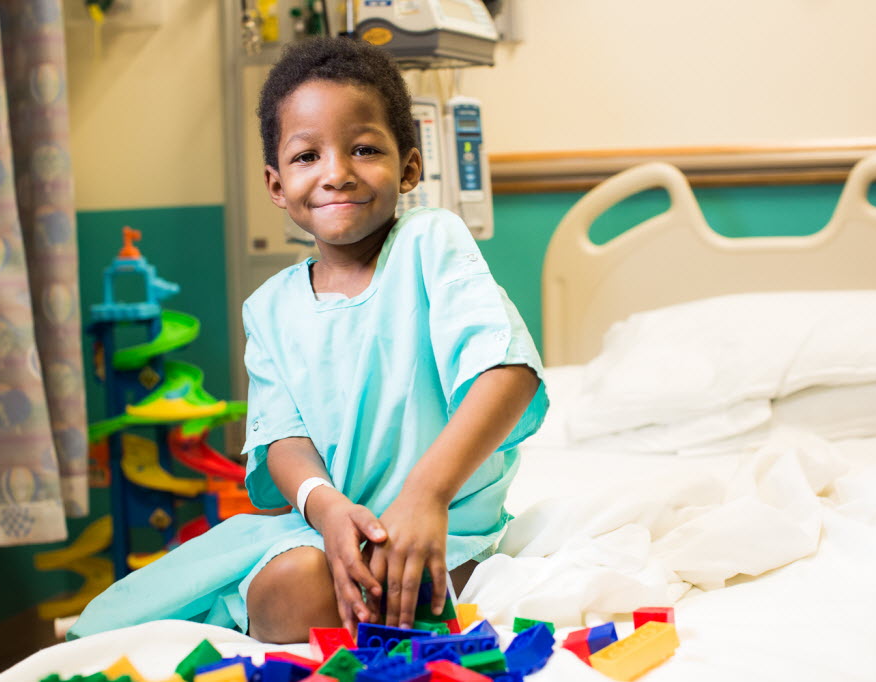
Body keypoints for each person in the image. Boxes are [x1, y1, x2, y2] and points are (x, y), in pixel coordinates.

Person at [69, 36, 547, 644]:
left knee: (395, 584)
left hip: (444, 522)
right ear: (275, 185)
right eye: (306, 156)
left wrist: (426, 496)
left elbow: (507, 372)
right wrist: (326, 508)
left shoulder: (431, 244)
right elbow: (281, 441)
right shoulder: (268, 309)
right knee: (289, 582)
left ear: (409, 167)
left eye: (365, 149)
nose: (336, 173)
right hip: (332, 528)